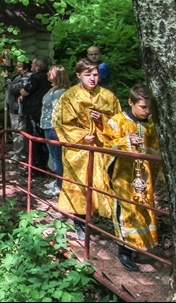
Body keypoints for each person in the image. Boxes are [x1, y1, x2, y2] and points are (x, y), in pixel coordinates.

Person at [53, 58, 122, 240]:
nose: (92, 78)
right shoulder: (69, 97)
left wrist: (101, 120)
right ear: (78, 75)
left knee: (102, 184)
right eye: (87, 74)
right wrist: (82, 136)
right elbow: (60, 122)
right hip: (78, 151)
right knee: (80, 186)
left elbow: (119, 123)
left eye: (95, 74)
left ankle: (102, 219)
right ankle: (79, 222)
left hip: (101, 148)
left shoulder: (108, 97)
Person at [102, 85, 161, 272]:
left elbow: (156, 151)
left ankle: (139, 247)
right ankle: (124, 251)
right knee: (125, 210)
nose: (147, 111)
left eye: (149, 107)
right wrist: (126, 142)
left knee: (143, 209)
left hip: (144, 177)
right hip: (122, 176)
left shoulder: (150, 125)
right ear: (131, 103)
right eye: (143, 107)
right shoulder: (116, 122)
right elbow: (105, 147)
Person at [41, 65, 70, 197]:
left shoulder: (60, 93)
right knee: (54, 157)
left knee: (58, 158)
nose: (48, 74)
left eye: (50, 73)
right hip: (48, 126)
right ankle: (57, 181)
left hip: (53, 128)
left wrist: (55, 128)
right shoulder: (54, 89)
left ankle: (60, 186)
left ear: (57, 76)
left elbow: (57, 113)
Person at [18, 56, 51, 172]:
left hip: (34, 113)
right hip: (42, 112)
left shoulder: (36, 78)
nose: (31, 66)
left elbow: (25, 91)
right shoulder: (48, 77)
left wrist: (22, 92)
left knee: (34, 139)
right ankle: (42, 165)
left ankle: (35, 168)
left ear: (37, 67)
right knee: (41, 139)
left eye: (32, 64)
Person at [5, 60, 31, 162]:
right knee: (16, 131)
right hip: (14, 106)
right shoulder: (20, 76)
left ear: (25, 69)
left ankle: (19, 155)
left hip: (18, 108)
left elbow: (13, 89)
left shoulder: (27, 78)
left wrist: (7, 80)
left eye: (19, 67)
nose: (17, 68)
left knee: (18, 132)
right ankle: (19, 151)